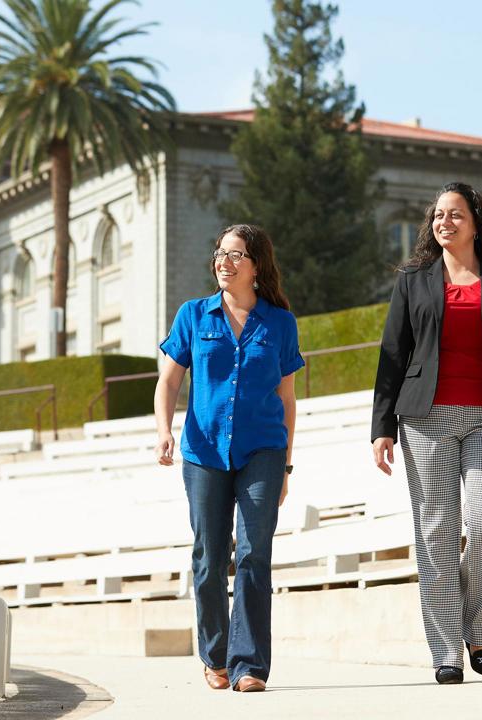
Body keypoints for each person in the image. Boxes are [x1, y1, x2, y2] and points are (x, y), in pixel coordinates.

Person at [371, 182, 482, 685]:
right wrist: (382, 426)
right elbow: (392, 356)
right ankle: (447, 649)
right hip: (425, 421)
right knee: (436, 533)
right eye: (437, 216)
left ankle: (479, 626)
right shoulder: (412, 280)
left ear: (476, 222)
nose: (443, 222)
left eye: (454, 214)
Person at [154, 224, 304, 692]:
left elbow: (287, 399)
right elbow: (169, 382)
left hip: (262, 449)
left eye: (236, 255)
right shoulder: (193, 316)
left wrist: (285, 465)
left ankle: (250, 665)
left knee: (255, 553)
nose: (224, 261)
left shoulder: (279, 323)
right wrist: (164, 431)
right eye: (220, 253)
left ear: (256, 266)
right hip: (203, 452)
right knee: (209, 556)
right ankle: (215, 655)